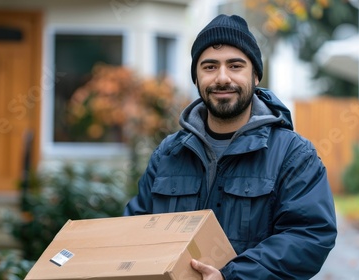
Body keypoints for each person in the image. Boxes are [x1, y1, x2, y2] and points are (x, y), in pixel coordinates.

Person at [123, 14, 337, 279]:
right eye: (210, 67)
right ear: (196, 78)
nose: (222, 78)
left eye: (235, 66)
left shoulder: (293, 155)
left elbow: (309, 236)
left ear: (256, 75)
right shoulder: (168, 153)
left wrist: (231, 276)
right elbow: (135, 229)